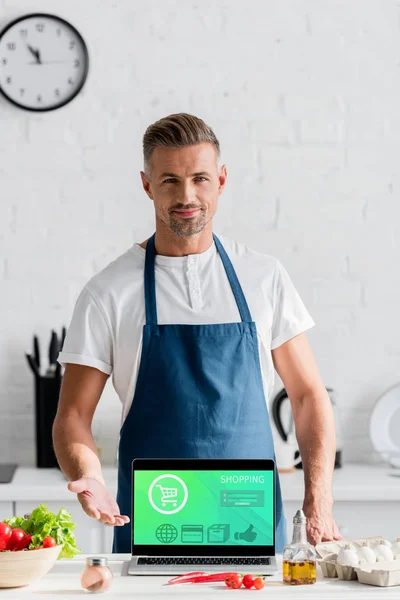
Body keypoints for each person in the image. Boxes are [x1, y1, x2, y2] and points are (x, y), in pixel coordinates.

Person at [53, 113, 342, 553]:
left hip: (252, 523)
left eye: (200, 178)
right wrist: (87, 476)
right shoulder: (108, 292)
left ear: (221, 180)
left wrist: (318, 499)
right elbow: (72, 416)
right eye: (169, 180)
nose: (186, 196)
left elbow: (307, 396)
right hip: (153, 522)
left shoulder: (264, 277)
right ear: (147, 185)